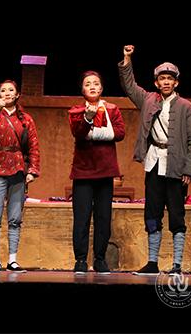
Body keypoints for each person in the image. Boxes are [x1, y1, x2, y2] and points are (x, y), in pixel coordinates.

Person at [118, 45, 191, 276]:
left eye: (170, 79)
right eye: (162, 78)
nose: (166, 82)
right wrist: (127, 59)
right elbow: (129, 85)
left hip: (177, 167)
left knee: (176, 215)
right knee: (152, 213)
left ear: (176, 82)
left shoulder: (186, 107)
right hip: (154, 163)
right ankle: (152, 263)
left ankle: (177, 265)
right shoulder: (147, 100)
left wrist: (190, 170)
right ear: (156, 82)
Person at [0, 80, 40, 273]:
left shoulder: (26, 119)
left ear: (17, 94)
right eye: (3, 90)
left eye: (10, 90)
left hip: (18, 168)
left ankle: (12, 259)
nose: (7, 93)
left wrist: (32, 170)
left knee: (15, 217)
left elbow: (34, 146)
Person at [68, 71, 125, 274]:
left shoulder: (112, 109)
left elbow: (120, 132)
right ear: (82, 90)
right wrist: (88, 119)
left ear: (101, 88)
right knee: (81, 218)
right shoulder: (76, 111)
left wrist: (97, 133)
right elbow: (78, 133)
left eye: (96, 83)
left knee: (103, 218)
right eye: (87, 84)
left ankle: (100, 259)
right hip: (83, 172)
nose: (92, 86)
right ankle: (80, 260)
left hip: (105, 171)